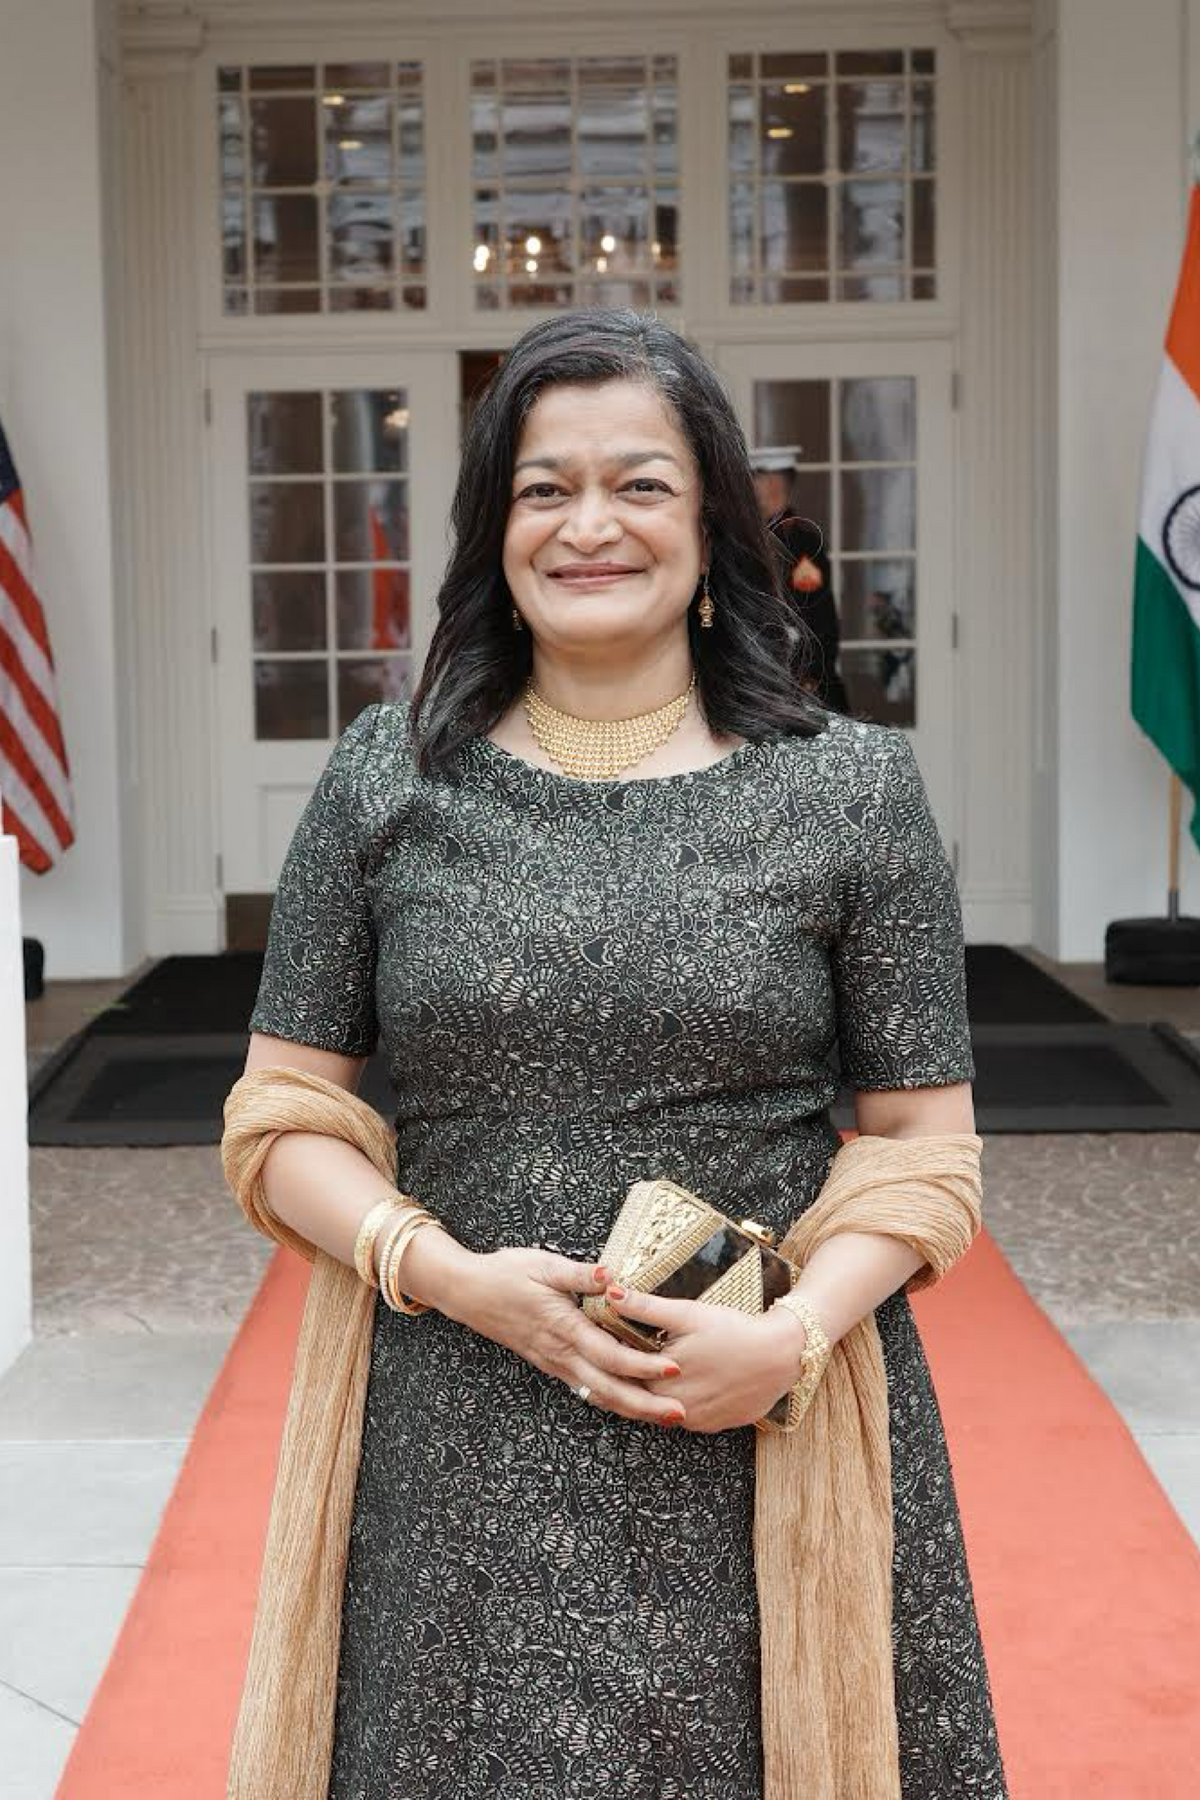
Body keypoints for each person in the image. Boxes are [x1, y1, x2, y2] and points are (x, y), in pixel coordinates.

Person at [233, 309, 1008, 1798]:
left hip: (758, 1425)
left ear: (713, 522)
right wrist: (446, 1274)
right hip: (457, 1421)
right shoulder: (386, 778)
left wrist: (790, 1340)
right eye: (545, 489)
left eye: (640, 484)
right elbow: (281, 1117)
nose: (589, 526)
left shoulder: (850, 790)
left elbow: (927, 1148)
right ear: (495, 529)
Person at [751, 452, 850, 713]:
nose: (750, 487)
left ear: (773, 483)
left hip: (799, 671)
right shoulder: (757, 534)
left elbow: (816, 612)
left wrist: (810, 674)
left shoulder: (800, 538)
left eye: (755, 478)